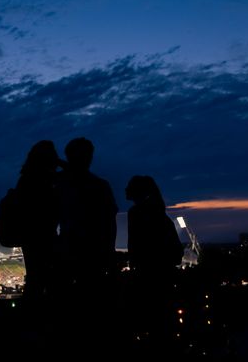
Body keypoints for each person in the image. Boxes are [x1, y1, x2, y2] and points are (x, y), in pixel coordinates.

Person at [55, 137, 118, 344]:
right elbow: (110, 226)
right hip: (92, 256)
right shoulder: (100, 186)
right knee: (91, 311)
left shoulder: (59, 183)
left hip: (69, 254)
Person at [125, 175, 182, 341]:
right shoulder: (160, 217)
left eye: (129, 186)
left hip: (148, 280)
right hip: (161, 280)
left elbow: (136, 247)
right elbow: (176, 253)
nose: (125, 189)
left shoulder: (136, 214)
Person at [15, 140, 60, 313]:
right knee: (49, 280)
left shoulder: (25, 179)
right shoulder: (50, 180)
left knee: (34, 279)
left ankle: (30, 322)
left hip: (29, 236)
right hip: (46, 234)